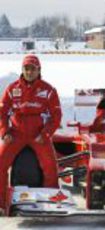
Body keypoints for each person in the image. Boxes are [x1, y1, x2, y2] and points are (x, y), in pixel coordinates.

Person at [0, 55, 62, 214]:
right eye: (26, 68)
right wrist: (4, 131)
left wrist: (46, 134)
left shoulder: (49, 90)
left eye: (32, 68)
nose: (29, 72)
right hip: (16, 132)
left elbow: (56, 116)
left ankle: (53, 202)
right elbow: (2, 112)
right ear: (22, 70)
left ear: (39, 70)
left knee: (50, 166)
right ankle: (1, 202)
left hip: (38, 134)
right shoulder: (11, 88)